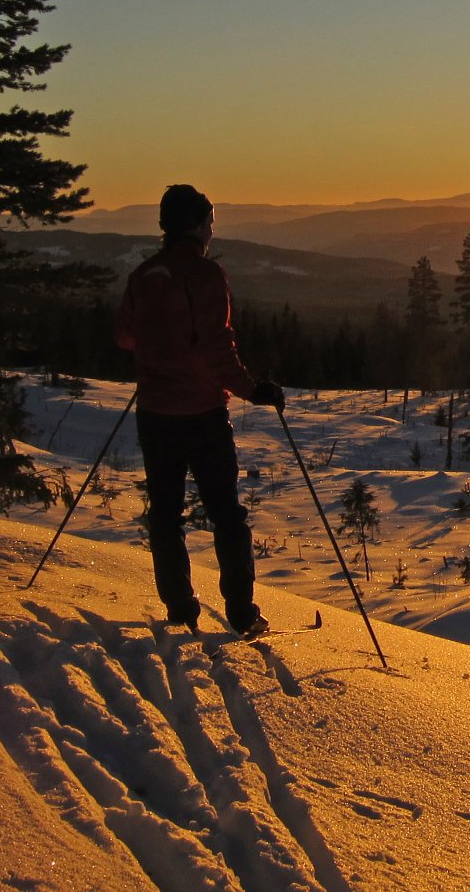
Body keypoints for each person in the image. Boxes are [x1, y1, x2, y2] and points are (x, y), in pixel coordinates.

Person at [117, 184, 284, 636]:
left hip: (155, 411)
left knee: (166, 513)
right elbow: (218, 348)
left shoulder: (144, 275)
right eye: (210, 219)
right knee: (226, 513)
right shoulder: (207, 275)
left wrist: (161, 351)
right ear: (194, 223)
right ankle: (241, 612)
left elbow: (125, 337)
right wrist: (253, 390)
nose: (212, 228)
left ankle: (179, 606)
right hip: (202, 412)